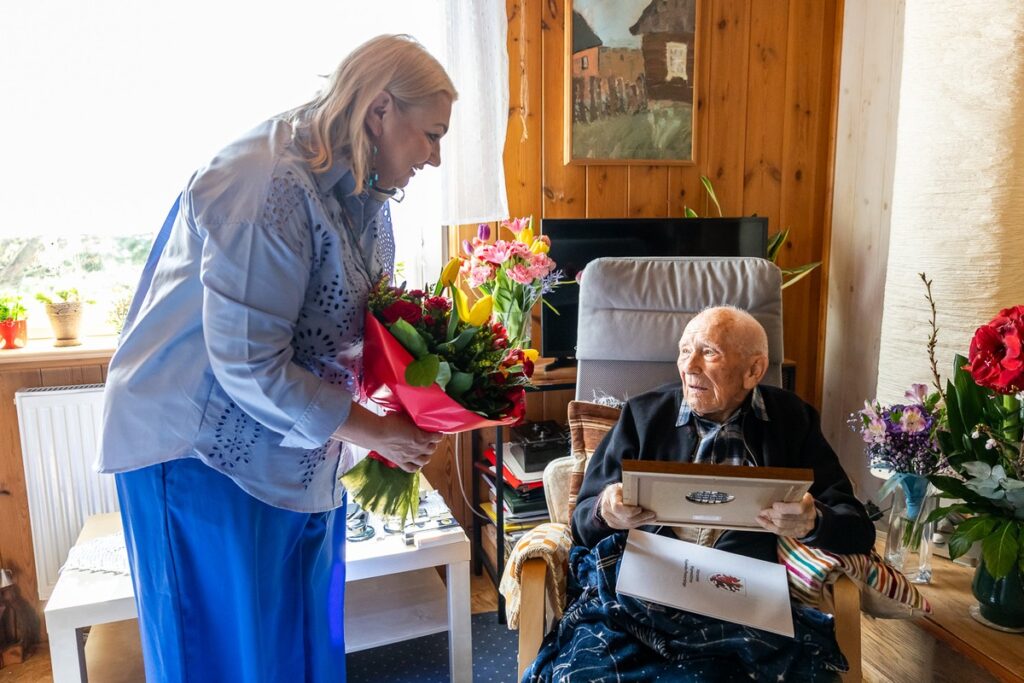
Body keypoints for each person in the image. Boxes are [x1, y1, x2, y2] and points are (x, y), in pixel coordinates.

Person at [98, 34, 456, 683]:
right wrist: (375, 430)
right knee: (226, 658)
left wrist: (417, 393)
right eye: (431, 134)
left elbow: (348, 329)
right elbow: (248, 363)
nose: (434, 157)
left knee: (303, 647)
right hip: (198, 450)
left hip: (298, 448)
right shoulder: (266, 181)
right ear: (380, 110)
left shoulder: (370, 198)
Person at [525, 306, 875, 682]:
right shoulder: (643, 416)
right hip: (641, 595)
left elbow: (857, 528)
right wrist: (606, 512)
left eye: (709, 352)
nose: (689, 366)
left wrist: (812, 521)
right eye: (684, 350)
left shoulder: (793, 420)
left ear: (754, 370)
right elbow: (582, 523)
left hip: (742, 601)